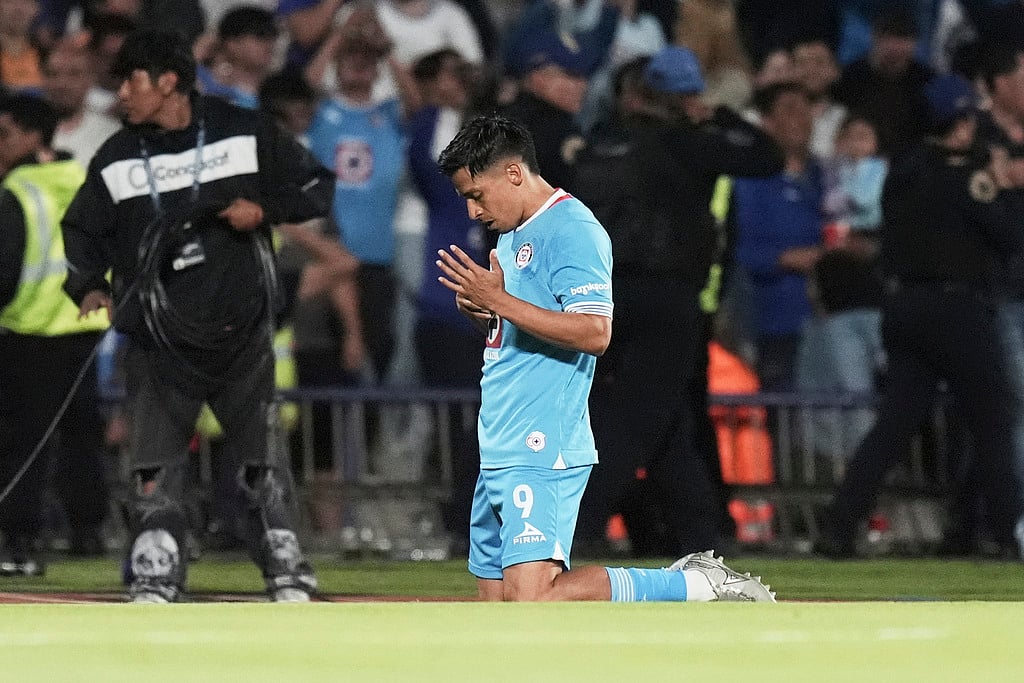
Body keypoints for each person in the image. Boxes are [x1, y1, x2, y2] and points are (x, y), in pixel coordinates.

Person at [434, 113, 775, 602]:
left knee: (538, 598)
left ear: (513, 174)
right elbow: (519, 328)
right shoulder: (512, 234)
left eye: (476, 195)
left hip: (542, 440)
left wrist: (501, 303)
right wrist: (484, 312)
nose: (473, 212)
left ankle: (694, 583)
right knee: (499, 607)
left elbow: (595, 331)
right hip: (500, 436)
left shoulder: (573, 229)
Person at [61, 29, 334, 602]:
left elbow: (316, 186)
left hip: (242, 334)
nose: (121, 96)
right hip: (159, 341)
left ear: (168, 82)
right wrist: (86, 284)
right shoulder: (116, 155)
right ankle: (157, 558)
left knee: (259, 461)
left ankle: (283, 559)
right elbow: (82, 228)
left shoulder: (245, 130)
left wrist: (265, 209)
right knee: (153, 463)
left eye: (130, 81)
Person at [572, 48, 784, 557]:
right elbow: (768, 158)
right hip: (669, 296)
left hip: (602, 293)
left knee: (668, 425)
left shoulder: (596, 148)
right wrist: (723, 117)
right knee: (640, 417)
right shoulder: (690, 145)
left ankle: (701, 538)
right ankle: (581, 524)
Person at [815, 74, 1024, 559]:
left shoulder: (904, 171)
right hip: (959, 310)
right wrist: (1007, 187)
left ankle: (840, 525)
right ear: (962, 124)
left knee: (896, 423)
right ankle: (1005, 532)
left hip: (905, 308)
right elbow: (1011, 236)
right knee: (993, 422)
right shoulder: (972, 178)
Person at [0, 93, 111, 574]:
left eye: (4, 134)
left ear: (31, 136)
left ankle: (17, 536)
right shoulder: (86, 180)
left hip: (27, 332)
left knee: (22, 442)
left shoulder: (17, 191)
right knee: (82, 436)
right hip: (85, 331)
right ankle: (87, 530)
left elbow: (4, 274)